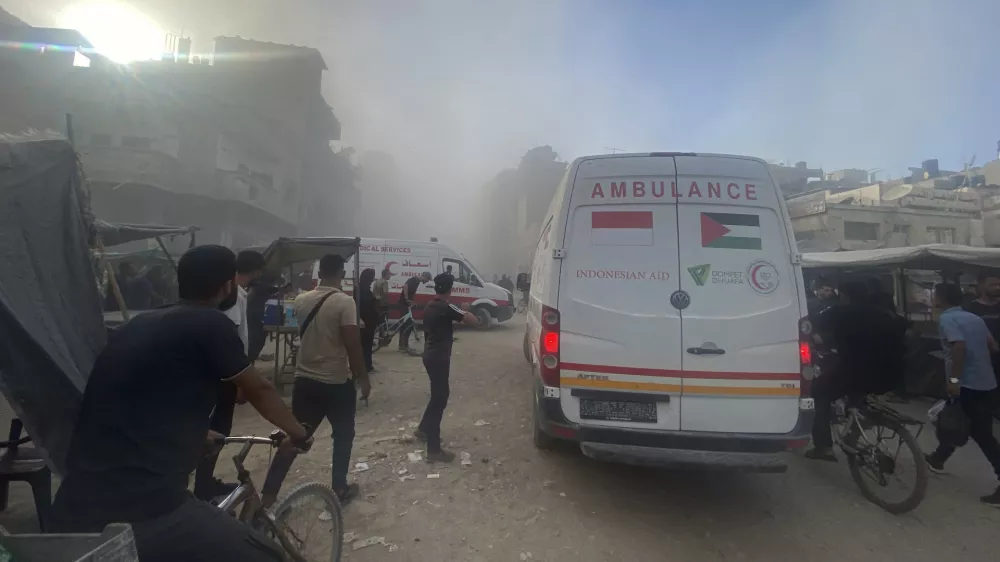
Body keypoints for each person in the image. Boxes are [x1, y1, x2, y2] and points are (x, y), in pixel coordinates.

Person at [51, 245, 312, 562]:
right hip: (145, 510)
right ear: (228, 284)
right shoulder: (211, 323)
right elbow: (257, 389)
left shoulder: (138, 324)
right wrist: (298, 433)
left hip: (73, 502)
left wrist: (196, 434)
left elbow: (143, 400)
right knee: (269, 556)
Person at [289, 254, 371, 502]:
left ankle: (266, 498)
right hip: (336, 382)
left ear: (319, 273)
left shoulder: (300, 300)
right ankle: (339, 488)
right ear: (341, 274)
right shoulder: (344, 302)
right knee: (343, 435)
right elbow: (352, 345)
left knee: (294, 438)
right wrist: (363, 378)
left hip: (304, 380)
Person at [805, 282, 907, 461]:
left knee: (818, 392)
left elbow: (809, 323)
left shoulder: (839, 312)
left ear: (844, 295)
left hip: (855, 372)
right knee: (854, 389)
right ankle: (855, 419)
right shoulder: (887, 315)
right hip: (892, 376)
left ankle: (823, 447)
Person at [194, 249, 267, 501]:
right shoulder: (235, 296)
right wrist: (240, 380)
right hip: (225, 375)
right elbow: (231, 335)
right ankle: (203, 487)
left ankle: (204, 482)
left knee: (213, 429)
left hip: (219, 372)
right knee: (218, 430)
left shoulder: (228, 293)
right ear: (256, 271)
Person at [925, 283, 1000, 506]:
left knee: (981, 433)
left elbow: (959, 346)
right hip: (985, 381)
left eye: (934, 295)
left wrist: (955, 379)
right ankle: (938, 458)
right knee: (956, 419)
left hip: (966, 383)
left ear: (941, 298)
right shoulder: (975, 318)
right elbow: (992, 346)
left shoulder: (947, 319)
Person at [413, 273, 479, 462]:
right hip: (439, 358)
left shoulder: (430, 305)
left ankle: (423, 429)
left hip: (429, 355)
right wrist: (465, 310)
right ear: (451, 289)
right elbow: (473, 321)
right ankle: (433, 450)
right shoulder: (446, 306)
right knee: (439, 399)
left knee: (437, 396)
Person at [964, 273, 1000, 390]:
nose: (997, 288)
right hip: (980, 360)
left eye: (999, 284)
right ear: (981, 285)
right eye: (993, 284)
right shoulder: (971, 308)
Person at [398, 271, 432, 354]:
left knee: (404, 325)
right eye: (427, 279)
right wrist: (406, 299)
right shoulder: (414, 280)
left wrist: (412, 302)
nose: (427, 281)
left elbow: (411, 292)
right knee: (408, 325)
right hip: (404, 303)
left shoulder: (417, 282)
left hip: (406, 304)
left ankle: (402, 345)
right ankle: (404, 346)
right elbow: (405, 286)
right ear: (424, 276)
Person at [358, 268, 380, 373]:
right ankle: (365, 366)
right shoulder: (360, 289)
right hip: (364, 322)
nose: (372, 279)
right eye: (372, 277)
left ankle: (367, 365)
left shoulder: (365, 288)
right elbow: (362, 304)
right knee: (365, 345)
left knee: (367, 345)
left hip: (369, 322)